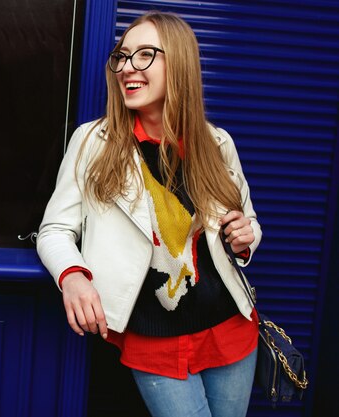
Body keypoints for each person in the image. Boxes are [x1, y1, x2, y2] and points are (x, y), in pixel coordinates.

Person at [36, 11, 261, 417]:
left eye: (144, 55)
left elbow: (247, 222)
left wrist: (246, 238)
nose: (127, 68)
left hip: (230, 328)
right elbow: (54, 229)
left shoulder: (217, 143)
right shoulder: (93, 143)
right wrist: (73, 277)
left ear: (178, 63)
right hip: (154, 336)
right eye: (122, 57)